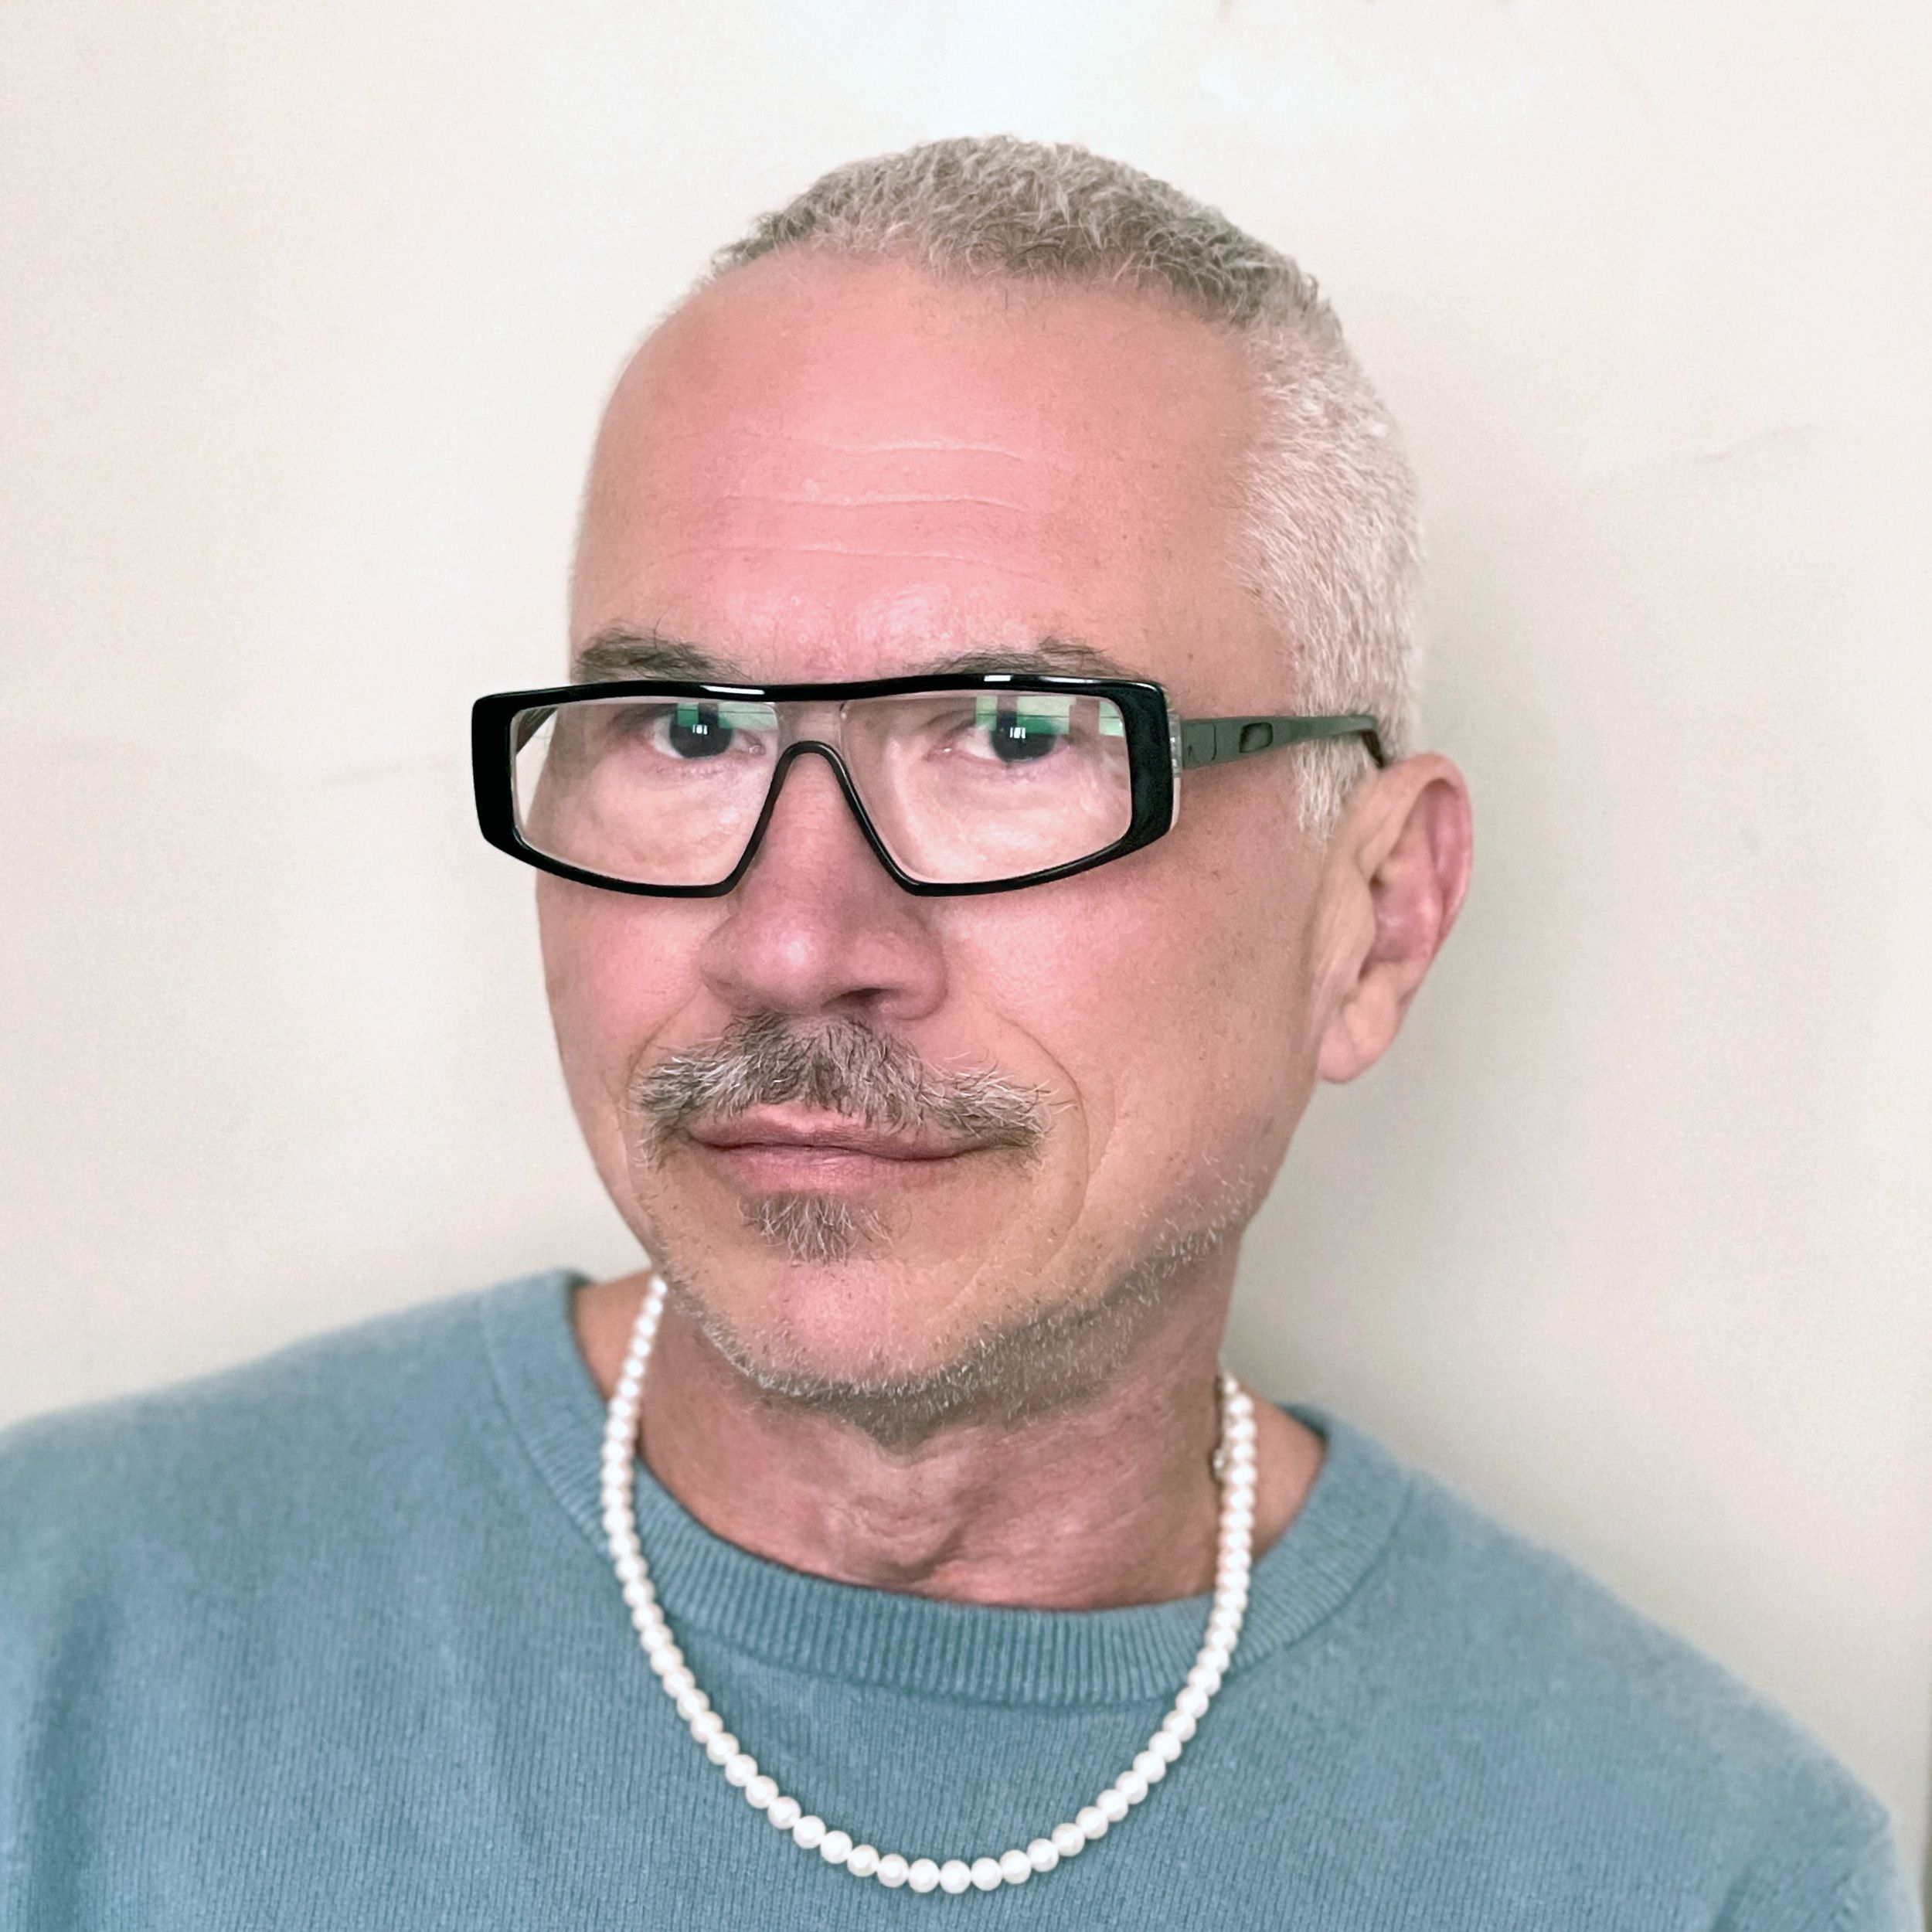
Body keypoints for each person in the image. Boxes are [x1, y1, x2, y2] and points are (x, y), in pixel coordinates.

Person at [1, 137, 1915, 1929]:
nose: (792, 941)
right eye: (689, 732)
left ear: (1375, 914)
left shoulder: (1691, 1867)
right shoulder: (53, 1648)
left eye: (1011, 736)